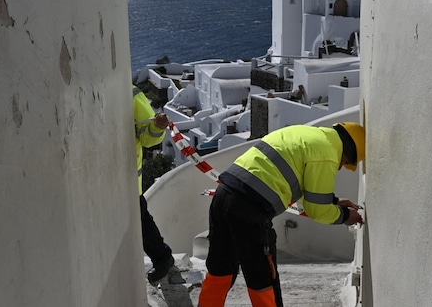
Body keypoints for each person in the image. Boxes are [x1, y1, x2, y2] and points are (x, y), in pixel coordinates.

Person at [198, 122, 366, 307]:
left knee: (220, 268)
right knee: (262, 278)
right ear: (348, 151)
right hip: (251, 209)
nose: (341, 167)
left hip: (224, 196)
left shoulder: (304, 134)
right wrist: (345, 216)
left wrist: (332, 201)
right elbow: (317, 211)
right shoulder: (327, 153)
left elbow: (286, 179)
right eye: (345, 162)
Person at [133, 85, 175, 284]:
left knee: (140, 221)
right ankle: (162, 258)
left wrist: (157, 127)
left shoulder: (130, 93)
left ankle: (162, 259)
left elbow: (148, 139)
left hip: (127, 180)